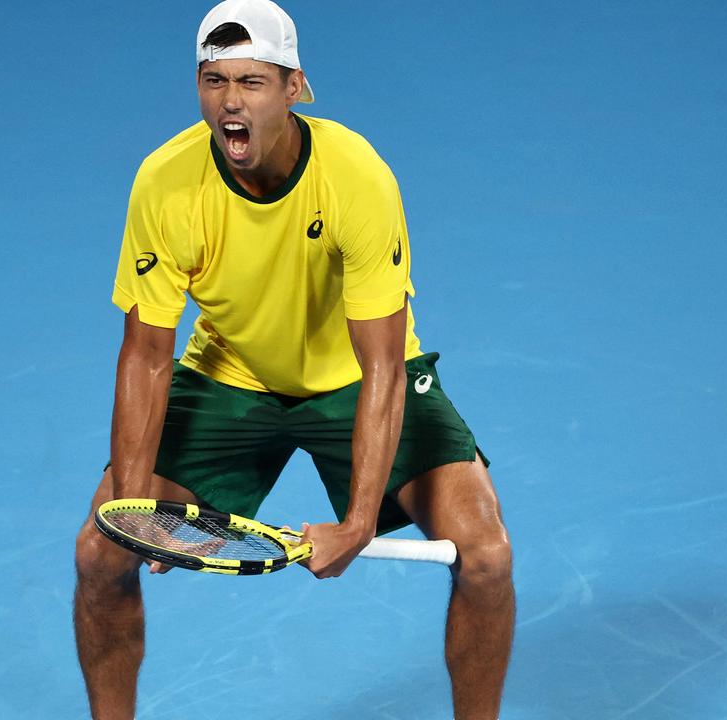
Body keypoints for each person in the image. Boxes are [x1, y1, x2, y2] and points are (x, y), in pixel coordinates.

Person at [73, 1, 514, 717]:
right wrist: (134, 510)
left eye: (251, 81)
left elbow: (382, 368)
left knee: (487, 557)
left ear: (295, 88)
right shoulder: (166, 181)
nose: (230, 102)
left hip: (357, 381)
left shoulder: (356, 178)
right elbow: (148, 353)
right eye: (213, 81)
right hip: (230, 379)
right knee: (99, 554)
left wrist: (358, 520)